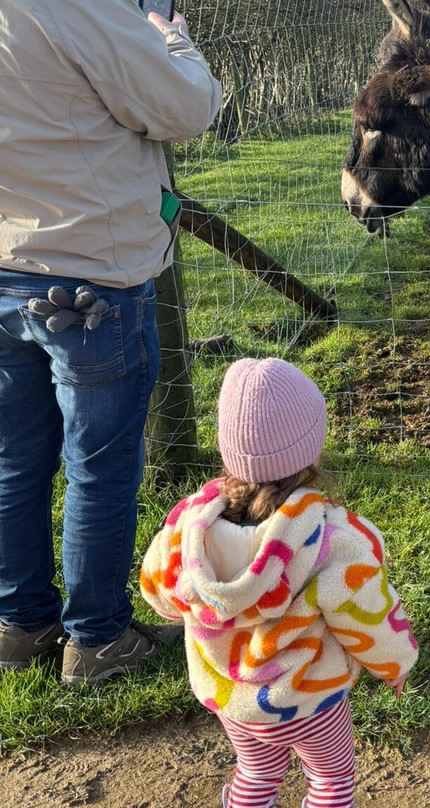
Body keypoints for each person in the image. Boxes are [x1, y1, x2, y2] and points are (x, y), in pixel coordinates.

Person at [0, 1, 222, 682]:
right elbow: (185, 108)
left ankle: (19, 624)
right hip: (91, 267)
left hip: (6, 264)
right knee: (102, 462)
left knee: (13, 455)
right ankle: (96, 638)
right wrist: (172, 39)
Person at [141, 357, 419, 808]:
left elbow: (159, 593)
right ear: (311, 449)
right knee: (331, 781)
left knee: (256, 773)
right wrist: (395, 663)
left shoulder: (187, 529)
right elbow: (367, 613)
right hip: (309, 702)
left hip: (233, 702)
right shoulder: (332, 539)